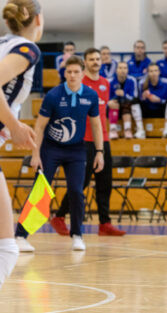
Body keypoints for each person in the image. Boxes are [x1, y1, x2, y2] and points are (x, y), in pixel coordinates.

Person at [15, 56, 105, 252]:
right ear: (65, 73)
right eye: (69, 72)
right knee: (40, 190)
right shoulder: (53, 96)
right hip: (51, 149)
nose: (72, 75)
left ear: (83, 74)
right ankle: (21, 236)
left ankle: (77, 235)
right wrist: (35, 154)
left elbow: (97, 125)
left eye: (76, 72)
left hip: (76, 150)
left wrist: (99, 152)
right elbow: (39, 127)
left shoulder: (90, 95)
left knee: (76, 191)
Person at [51, 48, 125, 237]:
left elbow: (102, 113)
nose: (95, 62)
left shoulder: (105, 84)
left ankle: (104, 223)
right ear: (85, 62)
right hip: (82, 140)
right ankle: (59, 217)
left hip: (102, 139)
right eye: (91, 59)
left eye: (98, 59)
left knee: (105, 182)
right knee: (81, 183)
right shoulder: (78, 82)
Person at [0, 0, 42, 289]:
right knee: (7, 247)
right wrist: (14, 126)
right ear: (38, 20)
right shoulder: (27, 49)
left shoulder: (4, 43)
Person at [108, 62, 145, 139]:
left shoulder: (132, 80)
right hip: (114, 106)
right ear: (116, 70)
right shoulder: (110, 81)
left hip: (127, 106)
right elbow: (107, 97)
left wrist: (123, 94)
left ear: (128, 70)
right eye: (120, 68)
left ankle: (128, 130)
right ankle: (112, 130)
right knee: (114, 104)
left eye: (125, 68)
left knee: (130, 104)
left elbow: (134, 96)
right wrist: (110, 101)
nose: (122, 70)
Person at [139, 64, 167, 137]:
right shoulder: (142, 83)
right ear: (148, 73)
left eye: (155, 70)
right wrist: (144, 98)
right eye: (151, 71)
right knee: (135, 101)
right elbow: (140, 100)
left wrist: (159, 100)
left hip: (161, 109)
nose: (154, 73)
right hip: (148, 109)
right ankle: (140, 130)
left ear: (159, 72)